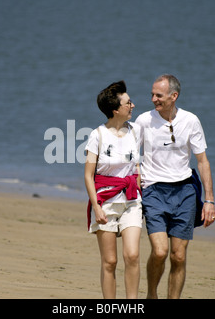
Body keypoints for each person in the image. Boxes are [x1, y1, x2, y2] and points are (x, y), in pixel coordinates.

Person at [135, 74, 215, 299]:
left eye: (158, 95)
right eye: (152, 94)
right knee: (160, 252)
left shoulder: (190, 121)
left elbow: (202, 161)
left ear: (174, 96)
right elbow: (131, 156)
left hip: (185, 192)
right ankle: (152, 294)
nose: (153, 99)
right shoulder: (144, 120)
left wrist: (209, 200)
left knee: (178, 256)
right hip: (153, 190)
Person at [84, 80, 142, 299]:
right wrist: (97, 207)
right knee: (110, 261)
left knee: (133, 255)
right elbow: (88, 176)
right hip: (105, 201)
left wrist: (139, 179)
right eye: (128, 103)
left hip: (131, 201)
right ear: (116, 109)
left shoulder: (135, 131)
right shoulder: (97, 135)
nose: (133, 105)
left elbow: (136, 165)